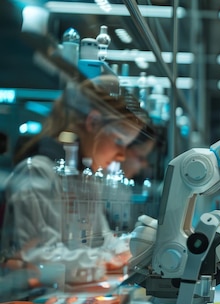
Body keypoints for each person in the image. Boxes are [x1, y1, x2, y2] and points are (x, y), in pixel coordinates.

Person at [1, 77, 148, 285]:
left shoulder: (85, 180)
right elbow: (35, 258)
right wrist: (107, 259)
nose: (122, 156)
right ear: (93, 122)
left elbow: (101, 239)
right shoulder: (38, 172)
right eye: (119, 141)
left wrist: (134, 247)